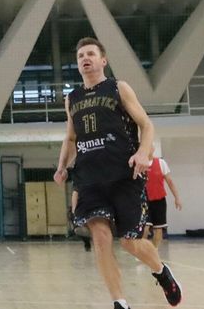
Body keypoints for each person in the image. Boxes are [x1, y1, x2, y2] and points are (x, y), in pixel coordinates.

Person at [54, 37, 183, 309]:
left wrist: (142, 153)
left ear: (103, 60)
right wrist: (61, 165)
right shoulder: (72, 98)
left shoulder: (118, 88)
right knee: (100, 238)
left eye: (91, 54)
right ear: (77, 64)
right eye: (80, 56)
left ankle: (161, 271)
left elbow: (146, 126)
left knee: (130, 242)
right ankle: (119, 303)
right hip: (89, 178)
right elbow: (70, 137)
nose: (85, 58)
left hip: (124, 176)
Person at [145, 153, 183, 248]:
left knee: (159, 229)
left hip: (159, 200)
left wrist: (177, 198)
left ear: (153, 149)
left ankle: (154, 250)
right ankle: (143, 250)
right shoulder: (140, 163)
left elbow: (170, 181)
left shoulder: (161, 163)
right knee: (145, 228)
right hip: (144, 201)